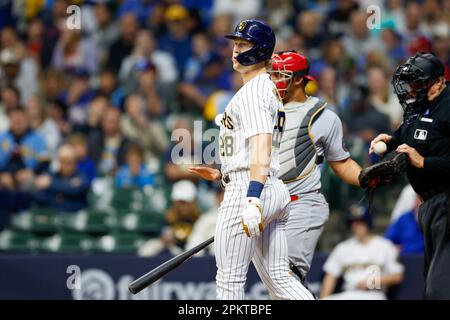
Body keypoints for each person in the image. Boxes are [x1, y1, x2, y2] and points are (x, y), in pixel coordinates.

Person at [189, 19, 314, 300]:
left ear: (260, 50)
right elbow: (252, 148)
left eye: (243, 44)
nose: (235, 50)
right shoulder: (265, 88)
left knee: (229, 282)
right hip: (270, 187)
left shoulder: (254, 91)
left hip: (250, 189)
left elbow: (262, 145)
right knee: (280, 279)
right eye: (235, 44)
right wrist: (222, 173)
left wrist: (252, 199)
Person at [268, 51, 362, 283]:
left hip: (300, 203)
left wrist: (366, 177)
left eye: (281, 75)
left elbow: (341, 163)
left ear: (298, 79)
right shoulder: (262, 110)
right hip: (268, 206)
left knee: (285, 277)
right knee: (277, 285)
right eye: (273, 74)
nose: (274, 80)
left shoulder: (323, 117)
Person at [369, 52, 450, 299]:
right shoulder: (419, 106)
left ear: (438, 82)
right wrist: (392, 141)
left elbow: (427, 148)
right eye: (411, 84)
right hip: (429, 205)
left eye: (418, 84)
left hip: (447, 200)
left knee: (440, 289)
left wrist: (423, 162)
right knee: (431, 286)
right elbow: (414, 132)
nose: (412, 90)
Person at [319, 204, 404, 300]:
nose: (356, 226)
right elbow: (330, 276)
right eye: (353, 223)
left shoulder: (385, 245)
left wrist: (372, 281)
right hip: (350, 293)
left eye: (360, 222)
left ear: (368, 223)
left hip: (374, 294)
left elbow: (397, 276)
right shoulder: (342, 248)